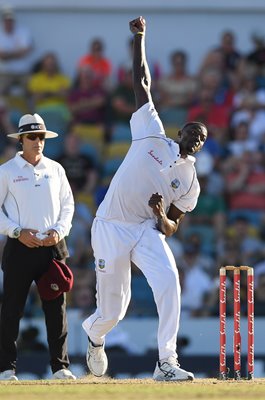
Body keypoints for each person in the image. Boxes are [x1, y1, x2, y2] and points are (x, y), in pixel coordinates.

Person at [82, 16, 208, 382]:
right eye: (193, 131)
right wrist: (139, 37)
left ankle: (165, 361)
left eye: (202, 138)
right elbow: (141, 80)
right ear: (180, 129)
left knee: (170, 281)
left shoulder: (190, 180)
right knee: (113, 311)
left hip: (144, 230)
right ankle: (95, 333)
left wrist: (158, 213)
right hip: (110, 226)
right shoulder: (150, 132)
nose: (197, 138)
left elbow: (170, 227)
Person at [0, 113, 76, 381]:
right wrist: (17, 232)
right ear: (21, 139)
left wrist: (59, 231)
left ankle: (60, 367)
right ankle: (6, 368)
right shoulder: (7, 171)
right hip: (20, 248)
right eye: (32, 137)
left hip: (52, 247)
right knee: (12, 309)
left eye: (41, 136)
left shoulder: (56, 169)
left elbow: (68, 205)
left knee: (57, 310)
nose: (37, 141)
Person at [0, 6, 33, 96]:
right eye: (6, 21)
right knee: (1, 92)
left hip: (23, 71)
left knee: (30, 92)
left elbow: (25, 52)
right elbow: (2, 57)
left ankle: (31, 111)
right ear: (3, 22)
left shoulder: (23, 32)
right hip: (5, 72)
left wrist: (8, 54)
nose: (9, 23)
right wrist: (17, 53)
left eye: (11, 20)